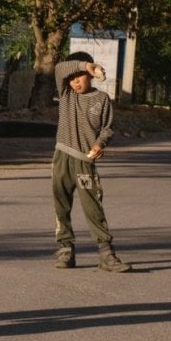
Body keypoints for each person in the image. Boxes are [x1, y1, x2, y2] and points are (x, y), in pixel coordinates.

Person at [51, 51, 131, 272]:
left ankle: (106, 254)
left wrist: (99, 144)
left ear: (92, 76)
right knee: (61, 206)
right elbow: (60, 68)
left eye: (80, 76)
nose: (76, 81)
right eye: (72, 77)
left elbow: (108, 127)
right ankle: (66, 249)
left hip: (84, 160)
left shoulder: (101, 99)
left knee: (93, 207)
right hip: (62, 157)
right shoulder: (67, 95)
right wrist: (85, 65)